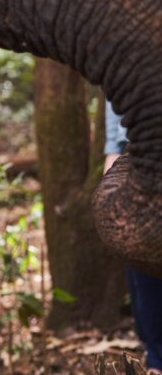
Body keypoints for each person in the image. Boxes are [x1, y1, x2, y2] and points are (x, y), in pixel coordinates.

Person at [104, 100, 162, 374]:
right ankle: (155, 353)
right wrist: (112, 152)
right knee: (140, 259)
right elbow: (114, 90)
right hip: (135, 152)